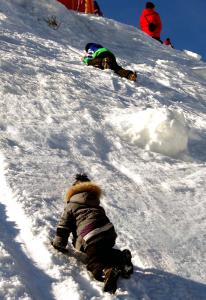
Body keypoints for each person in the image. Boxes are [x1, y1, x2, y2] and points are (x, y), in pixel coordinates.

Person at [51, 173, 133, 294]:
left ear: (72, 191)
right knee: (103, 251)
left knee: (94, 260)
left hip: (91, 235)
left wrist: (59, 244)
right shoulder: (96, 205)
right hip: (109, 232)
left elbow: (64, 227)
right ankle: (121, 258)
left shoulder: (71, 205)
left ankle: (107, 271)